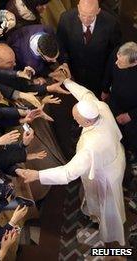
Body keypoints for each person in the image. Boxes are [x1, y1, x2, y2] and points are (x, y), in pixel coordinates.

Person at [16, 76, 126, 246]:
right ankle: (93, 212)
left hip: (103, 174)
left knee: (107, 206)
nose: (75, 120)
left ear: (88, 121)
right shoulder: (100, 107)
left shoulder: (91, 146)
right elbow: (85, 94)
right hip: (115, 157)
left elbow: (68, 172)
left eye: (77, 119)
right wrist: (67, 81)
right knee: (93, 196)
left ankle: (109, 236)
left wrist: (37, 174)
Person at [56, 0, 121, 97]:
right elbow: (61, 45)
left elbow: (113, 55)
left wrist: (106, 86)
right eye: (82, 15)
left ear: (98, 11)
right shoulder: (66, 19)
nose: (86, 20)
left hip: (97, 78)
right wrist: (64, 63)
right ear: (78, 8)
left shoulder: (111, 23)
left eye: (90, 16)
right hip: (73, 74)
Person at [102, 42, 137, 155]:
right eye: (117, 58)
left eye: (121, 63)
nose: (116, 63)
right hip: (115, 101)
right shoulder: (119, 53)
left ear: (135, 62)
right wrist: (105, 90)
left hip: (132, 111)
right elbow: (108, 71)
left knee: (132, 136)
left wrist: (130, 115)